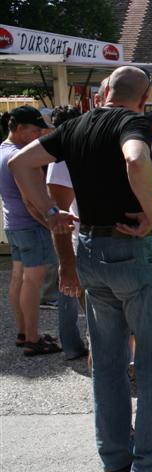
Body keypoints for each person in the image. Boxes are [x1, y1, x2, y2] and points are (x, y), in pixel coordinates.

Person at [10, 65, 152, 472]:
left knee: (109, 362)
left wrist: (49, 213)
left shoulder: (75, 126)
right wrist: (151, 217)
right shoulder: (132, 122)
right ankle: (151, 465)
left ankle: (114, 456)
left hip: (90, 249)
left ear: (103, 92)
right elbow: (135, 159)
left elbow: (22, 163)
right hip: (131, 251)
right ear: (144, 99)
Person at [1, 106, 61, 356]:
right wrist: (51, 224)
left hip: (13, 224)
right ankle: (33, 338)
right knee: (32, 283)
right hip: (30, 226)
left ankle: (24, 332)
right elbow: (31, 199)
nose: (39, 135)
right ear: (20, 128)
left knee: (19, 279)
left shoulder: (3, 151)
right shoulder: (24, 158)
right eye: (35, 130)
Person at [45, 106, 89, 361]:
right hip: (77, 242)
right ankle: (74, 347)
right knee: (73, 295)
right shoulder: (62, 157)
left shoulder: (61, 156)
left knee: (72, 296)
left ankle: (74, 346)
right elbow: (56, 209)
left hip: (79, 239)